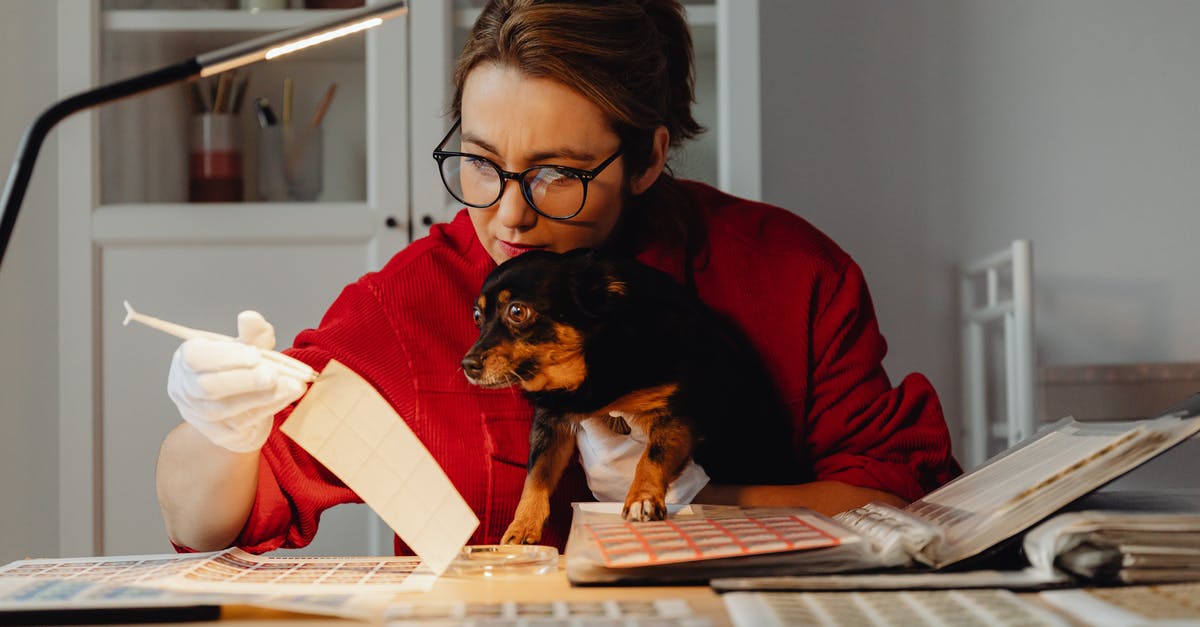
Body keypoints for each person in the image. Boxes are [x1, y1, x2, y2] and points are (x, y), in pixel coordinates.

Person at [156, 0, 961, 555]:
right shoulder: (408, 303)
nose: (508, 217)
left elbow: (898, 508)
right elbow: (201, 518)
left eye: (557, 174)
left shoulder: (790, 275)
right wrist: (219, 427)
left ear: (647, 156)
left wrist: (697, 501)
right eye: (478, 163)